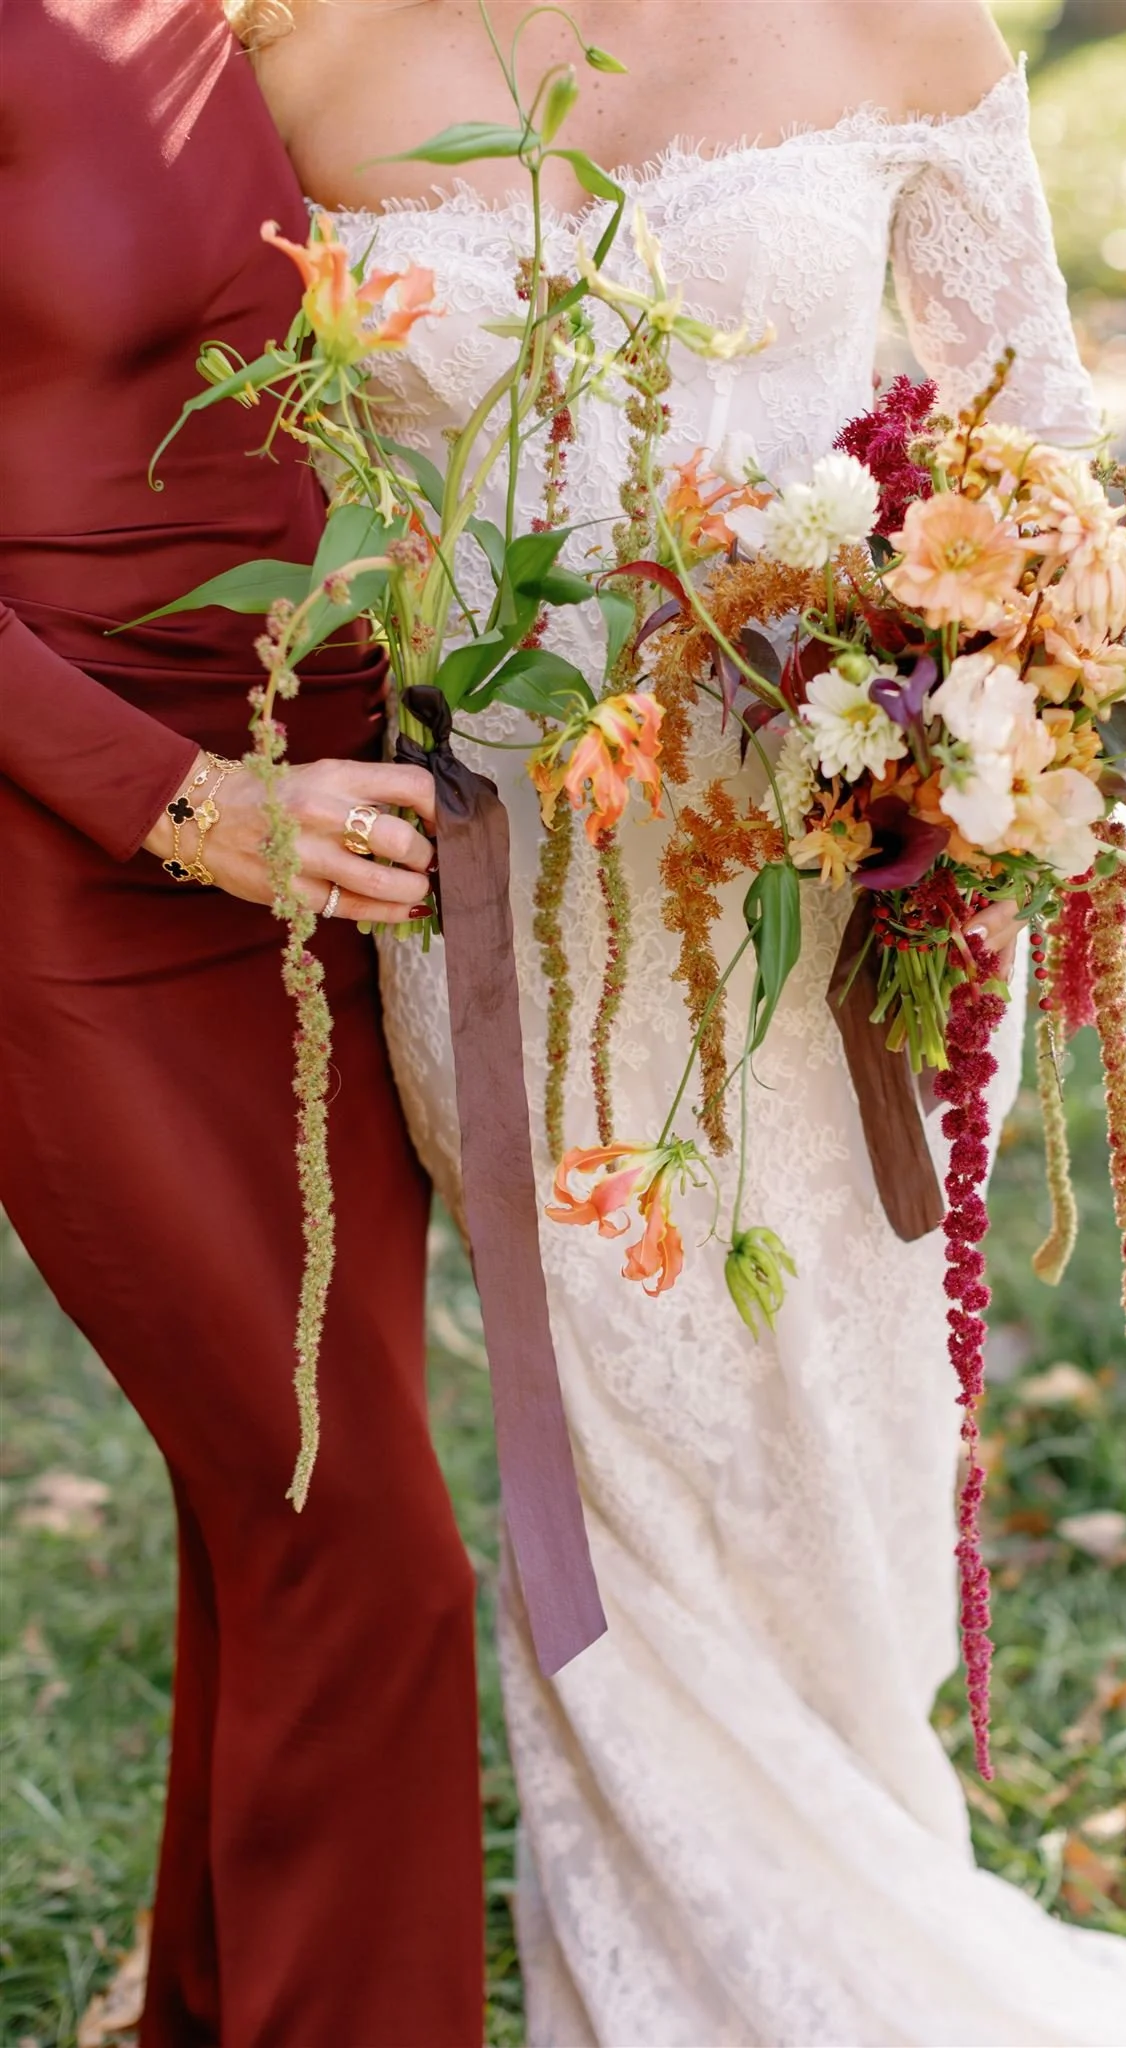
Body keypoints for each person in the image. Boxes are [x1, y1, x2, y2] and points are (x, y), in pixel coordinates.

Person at [252, 3, 1126, 2043]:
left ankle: (861, 1926)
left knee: (835, 1492)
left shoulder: (895, 26)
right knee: (628, 1490)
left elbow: (1043, 462)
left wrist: (987, 705)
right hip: (538, 949)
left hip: (850, 907)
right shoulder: (311, 65)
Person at [0, 3, 486, 2041]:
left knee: (281, 1507)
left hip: (330, 813)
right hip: (76, 834)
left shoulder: (285, 17)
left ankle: (218, 2010)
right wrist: (187, 807)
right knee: (367, 1551)